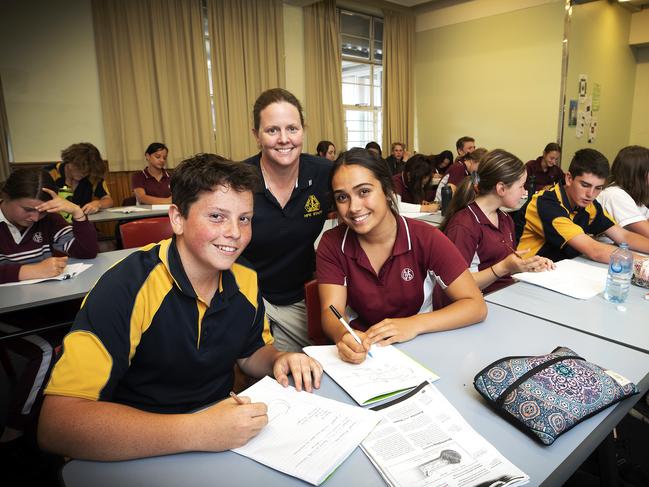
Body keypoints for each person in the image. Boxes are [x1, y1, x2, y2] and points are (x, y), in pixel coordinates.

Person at [38, 154, 323, 461]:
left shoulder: (246, 276)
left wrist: (278, 359)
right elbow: (57, 425)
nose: (236, 233)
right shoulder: (126, 287)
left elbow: (251, 351)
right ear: (177, 219)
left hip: (219, 435)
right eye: (217, 216)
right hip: (139, 446)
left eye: (244, 218)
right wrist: (198, 430)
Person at [316, 148, 487, 364]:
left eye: (364, 192)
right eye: (342, 197)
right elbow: (330, 311)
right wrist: (344, 335)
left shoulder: (426, 238)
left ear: (387, 190)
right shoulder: (332, 243)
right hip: (365, 354)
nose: (354, 207)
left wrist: (414, 324)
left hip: (420, 347)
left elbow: (475, 305)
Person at [0, 168, 98, 444]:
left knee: (95, 327)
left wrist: (77, 213)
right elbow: (28, 271)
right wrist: (26, 272)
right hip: (10, 313)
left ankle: (84, 405)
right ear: (5, 196)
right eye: (27, 210)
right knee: (44, 350)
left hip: (45, 304)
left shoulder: (49, 220)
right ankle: (16, 426)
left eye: (41, 211)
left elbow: (87, 251)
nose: (34, 218)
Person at [242, 88, 332, 352]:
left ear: (303, 130)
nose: (284, 139)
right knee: (260, 370)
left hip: (298, 296)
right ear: (256, 135)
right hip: (246, 296)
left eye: (292, 129)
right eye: (272, 130)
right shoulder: (237, 181)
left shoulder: (325, 174)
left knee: (314, 367)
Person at [441, 149, 554, 294]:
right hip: (480, 301)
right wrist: (505, 267)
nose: (524, 191)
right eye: (520, 186)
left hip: (504, 293)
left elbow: (506, 264)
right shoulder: (464, 225)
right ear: (501, 188)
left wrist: (530, 265)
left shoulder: (505, 219)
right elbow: (457, 284)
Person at [515, 148, 649, 263]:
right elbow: (594, 250)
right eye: (585, 185)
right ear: (569, 179)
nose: (590, 194)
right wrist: (643, 262)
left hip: (559, 270)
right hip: (525, 275)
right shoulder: (546, 204)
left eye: (598, 188)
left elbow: (625, 236)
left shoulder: (590, 206)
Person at [596, 145, 649, 240]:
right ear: (638, 173)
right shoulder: (615, 194)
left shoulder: (632, 194)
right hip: (612, 249)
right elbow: (646, 231)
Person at [46, 142, 113, 214]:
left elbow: (108, 200)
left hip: (83, 221)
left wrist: (98, 203)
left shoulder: (93, 175)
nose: (84, 172)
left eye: (88, 170)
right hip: (54, 221)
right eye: (79, 168)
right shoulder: (49, 173)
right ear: (69, 161)